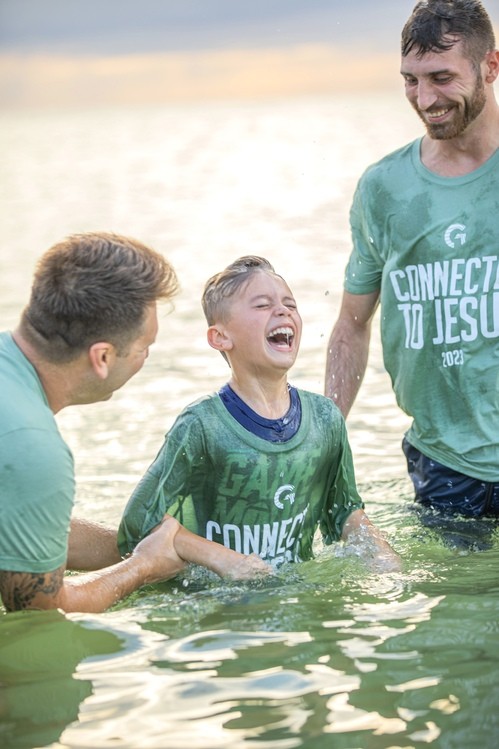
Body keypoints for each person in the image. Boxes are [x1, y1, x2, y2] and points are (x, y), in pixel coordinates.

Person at [0, 233, 269, 614]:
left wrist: (154, 544)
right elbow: (41, 613)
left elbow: (22, 517)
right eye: (145, 347)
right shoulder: (34, 448)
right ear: (103, 358)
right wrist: (142, 566)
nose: (146, 359)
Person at [325, 0, 499, 518]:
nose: (425, 99)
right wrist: (325, 436)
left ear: (491, 66)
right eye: (411, 80)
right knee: (449, 576)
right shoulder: (385, 187)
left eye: (442, 78)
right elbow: (352, 324)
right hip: (442, 462)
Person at [118, 256, 401, 572]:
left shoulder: (325, 419)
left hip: (295, 591)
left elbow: (344, 511)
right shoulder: (202, 425)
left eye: (290, 304)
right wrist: (223, 559)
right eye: (263, 305)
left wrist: (384, 559)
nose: (283, 311)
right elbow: (138, 521)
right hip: (215, 597)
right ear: (220, 337)